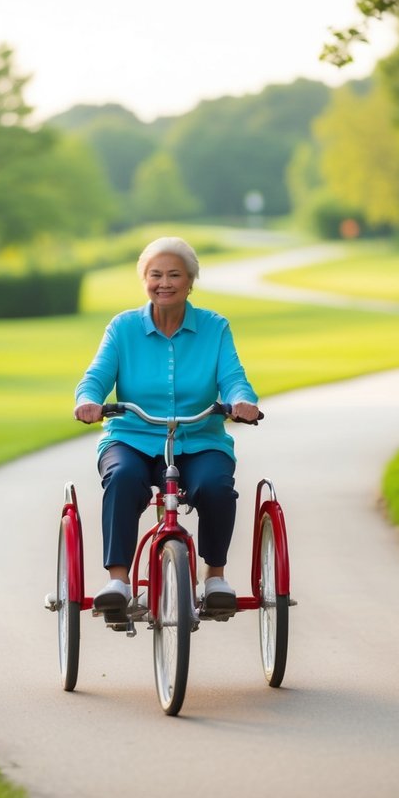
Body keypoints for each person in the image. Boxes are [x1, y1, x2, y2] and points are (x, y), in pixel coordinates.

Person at [73, 236, 261, 618]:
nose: (165, 282)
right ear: (144, 279)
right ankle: (119, 581)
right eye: (155, 274)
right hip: (132, 438)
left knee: (215, 487)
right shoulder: (123, 328)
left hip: (200, 438)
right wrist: (88, 401)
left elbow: (234, 376)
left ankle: (215, 578)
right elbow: (95, 376)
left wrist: (242, 401)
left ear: (191, 281)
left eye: (175, 274)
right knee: (123, 478)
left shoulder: (214, 327)